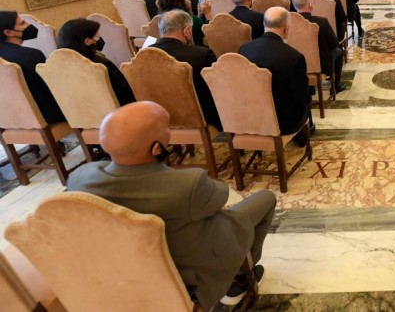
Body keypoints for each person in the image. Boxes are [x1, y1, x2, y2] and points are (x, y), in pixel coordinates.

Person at [67, 101, 276, 310]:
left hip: (122, 272)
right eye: (167, 129)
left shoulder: (79, 179)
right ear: (156, 148)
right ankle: (240, 280)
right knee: (265, 199)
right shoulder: (187, 185)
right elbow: (220, 195)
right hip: (186, 274)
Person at [238, 7, 312, 136]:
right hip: (283, 122)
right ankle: (305, 135)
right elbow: (303, 98)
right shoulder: (294, 57)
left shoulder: (244, 49)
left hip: (252, 116)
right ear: (286, 28)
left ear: (264, 24)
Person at [151, 10, 221, 131]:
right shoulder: (202, 55)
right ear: (186, 30)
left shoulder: (145, 55)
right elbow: (217, 87)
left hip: (160, 116)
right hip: (201, 118)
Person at [0, 11, 65, 123]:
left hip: (11, 119)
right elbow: (50, 89)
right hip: (45, 116)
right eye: (22, 23)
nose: (28, 25)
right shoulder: (30, 55)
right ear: (8, 32)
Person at [57, 18, 135, 106]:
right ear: (87, 41)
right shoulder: (101, 65)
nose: (100, 39)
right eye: (97, 37)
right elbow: (125, 94)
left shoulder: (58, 66)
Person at [292, 0, 345, 93]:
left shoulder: (289, 23)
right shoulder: (321, 22)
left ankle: (310, 87)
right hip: (321, 65)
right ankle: (336, 86)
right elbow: (334, 43)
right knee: (339, 51)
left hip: (296, 64)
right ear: (311, 4)